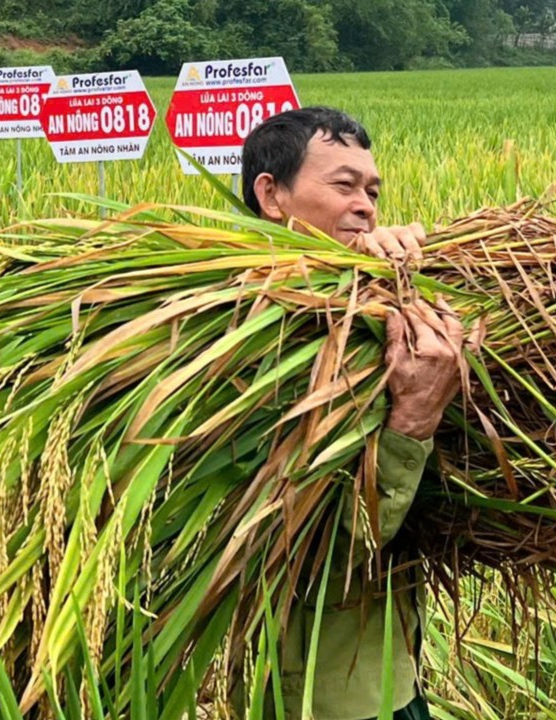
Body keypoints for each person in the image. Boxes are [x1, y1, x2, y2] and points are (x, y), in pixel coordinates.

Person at [237, 107, 470, 720]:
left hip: (394, 673)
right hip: (320, 697)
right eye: (343, 186)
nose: (366, 206)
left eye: (372, 191)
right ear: (272, 195)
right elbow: (311, 545)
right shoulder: (245, 341)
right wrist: (413, 419)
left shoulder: (360, 311)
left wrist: (400, 282)